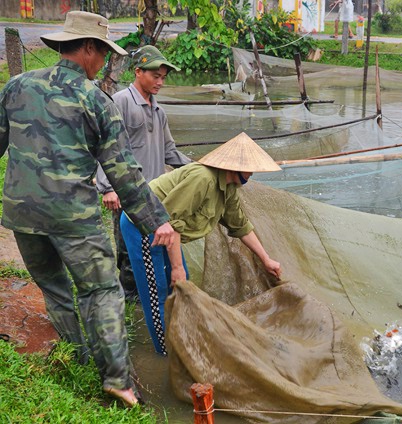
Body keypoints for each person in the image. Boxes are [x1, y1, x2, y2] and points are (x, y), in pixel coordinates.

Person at [0, 11, 177, 407]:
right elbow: (124, 175)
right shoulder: (95, 100)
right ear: (88, 50)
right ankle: (116, 379)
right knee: (102, 290)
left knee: (55, 288)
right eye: (103, 54)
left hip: (21, 215)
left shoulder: (15, 86)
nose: (104, 63)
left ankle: (80, 355)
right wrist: (157, 222)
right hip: (73, 218)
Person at [120, 132, 282, 356]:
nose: (253, 174)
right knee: (156, 291)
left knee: (182, 286)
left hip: (167, 230)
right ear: (234, 167)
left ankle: (182, 338)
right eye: (250, 168)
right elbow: (169, 221)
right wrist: (175, 268)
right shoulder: (203, 178)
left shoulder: (229, 189)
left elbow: (241, 225)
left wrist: (266, 259)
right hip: (145, 226)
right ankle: (166, 353)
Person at [96, 45, 191, 301]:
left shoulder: (158, 110)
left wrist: (196, 167)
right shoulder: (121, 101)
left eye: (163, 77)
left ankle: (147, 294)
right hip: (127, 191)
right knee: (128, 249)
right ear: (138, 72)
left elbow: (169, 151)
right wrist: (107, 187)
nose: (160, 82)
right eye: (154, 76)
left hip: (155, 192)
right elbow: (106, 145)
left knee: (154, 245)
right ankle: (129, 296)